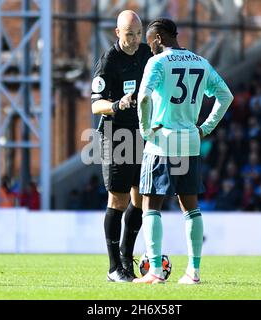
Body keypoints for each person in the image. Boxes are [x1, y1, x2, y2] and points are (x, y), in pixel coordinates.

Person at [134, 18, 233, 284]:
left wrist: (145, 130)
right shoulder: (200, 62)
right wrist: (206, 127)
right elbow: (226, 96)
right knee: (190, 206)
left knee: (151, 202)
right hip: (190, 140)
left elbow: (143, 98)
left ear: (157, 38)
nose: (149, 48)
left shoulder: (157, 63)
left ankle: (155, 270)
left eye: (149, 42)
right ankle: (194, 271)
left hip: (162, 140)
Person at [91, 10, 153, 282]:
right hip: (115, 136)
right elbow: (96, 105)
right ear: (118, 33)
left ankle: (127, 261)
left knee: (140, 198)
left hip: (142, 134)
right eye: (130, 35)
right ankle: (113, 267)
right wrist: (117, 105)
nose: (135, 39)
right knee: (118, 199)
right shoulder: (108, 61)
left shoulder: (146, 56)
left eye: (139, 34)